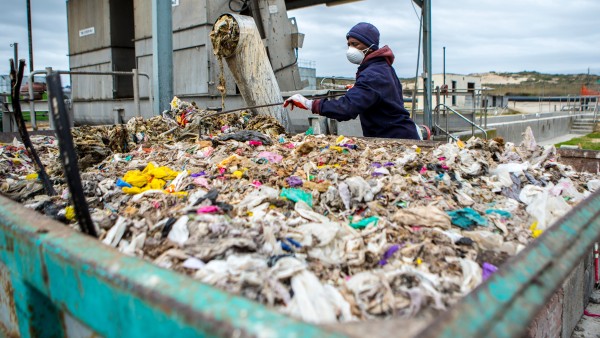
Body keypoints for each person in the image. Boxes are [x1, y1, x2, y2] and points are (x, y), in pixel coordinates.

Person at [284, 22, 420, 140]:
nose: (350, 49)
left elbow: (346, 108)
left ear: (370, 46)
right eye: (349, 45)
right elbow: (377, 93)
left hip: (396, 139)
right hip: (399, 134)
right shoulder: (382, 68)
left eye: (355, 44)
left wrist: (309, 103)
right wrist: (357, 89)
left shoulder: (373, 75)